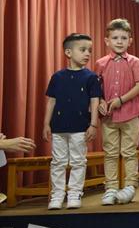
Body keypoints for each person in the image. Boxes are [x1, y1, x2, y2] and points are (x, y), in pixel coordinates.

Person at [42, 33, 102, 210]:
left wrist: (93, 124)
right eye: (82, 50)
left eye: (89, 50)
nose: (87, 53)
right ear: (68, 52)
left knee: (78, 161)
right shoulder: (57, 77)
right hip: (58, 127)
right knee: (58, 162)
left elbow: (95, 101)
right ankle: (57, 194)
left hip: (80, 127)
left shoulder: (91, 77)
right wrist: (46, 124)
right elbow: (51, 101)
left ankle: (75, 193)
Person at [95, 18, 139, 205]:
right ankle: (110, 188)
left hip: (130, 115)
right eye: (115, 38)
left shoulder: (135, 62)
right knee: (110, 153)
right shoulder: (100, 63)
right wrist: (101, 101)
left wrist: (121, 100)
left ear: (130, 41)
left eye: (123, 38)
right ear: (107, 40)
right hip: (108, 117)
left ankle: (130, 186)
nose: (119, 41)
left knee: (129, 152)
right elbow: (96, 89)